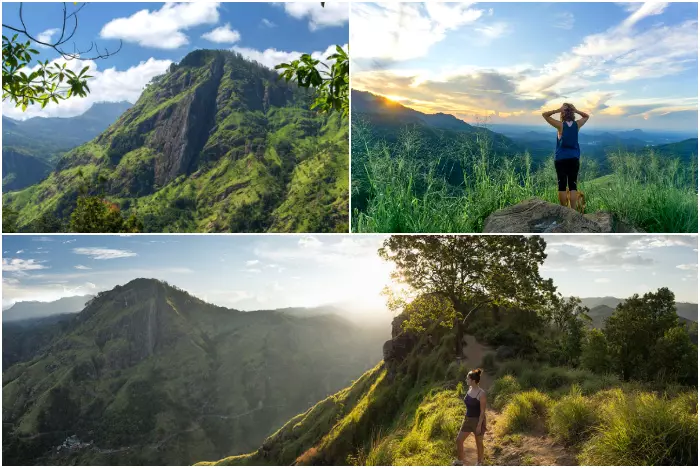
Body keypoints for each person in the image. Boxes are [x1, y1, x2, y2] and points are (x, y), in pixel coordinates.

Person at [541, 103, 590, 209]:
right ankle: (573, 210)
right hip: (574, 158)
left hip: (561, 159)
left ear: (562, 113)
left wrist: (557, 110)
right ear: (572, 113)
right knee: (573, 185)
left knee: (562, 185)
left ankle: (564, 210)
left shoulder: (560, 125)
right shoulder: (577, 125)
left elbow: (544, 115)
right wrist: (576, 110)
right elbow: (586, 116)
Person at [454, 368, 487, 466]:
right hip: (467, 419)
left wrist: (479, 425)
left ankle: (480, 462)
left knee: (479, 443)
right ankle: (460, 461)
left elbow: (482, 412)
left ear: (473, 380)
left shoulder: (481, 394)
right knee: (459, 440)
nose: (466, 380)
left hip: (477, 421)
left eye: (467, 379)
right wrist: (465, 418)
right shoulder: (469, 389)